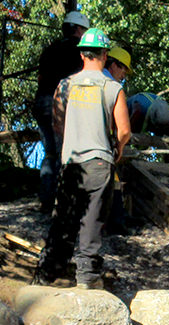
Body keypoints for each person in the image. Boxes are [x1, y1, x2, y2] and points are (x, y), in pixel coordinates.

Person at [34, 28, 131, 289]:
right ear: (105, 55)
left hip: (72, 163)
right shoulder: (113, 88)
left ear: (81, 54)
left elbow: (57, 123)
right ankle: (87, 278)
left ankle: (46, 274)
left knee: (64, 219)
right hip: (99, 163)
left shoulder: (65, 85)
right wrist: (118, 149)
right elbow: (124, 131)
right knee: (92, 222)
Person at [33, 10, 89, 214]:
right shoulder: (80, 52)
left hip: (41, 103)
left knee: (49, 152)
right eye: (84, 30)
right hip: (62, 106)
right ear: (79, 29)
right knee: (65, 153)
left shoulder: (50, 49)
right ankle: (63, 203)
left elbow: (40, 79)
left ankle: (46, 200)